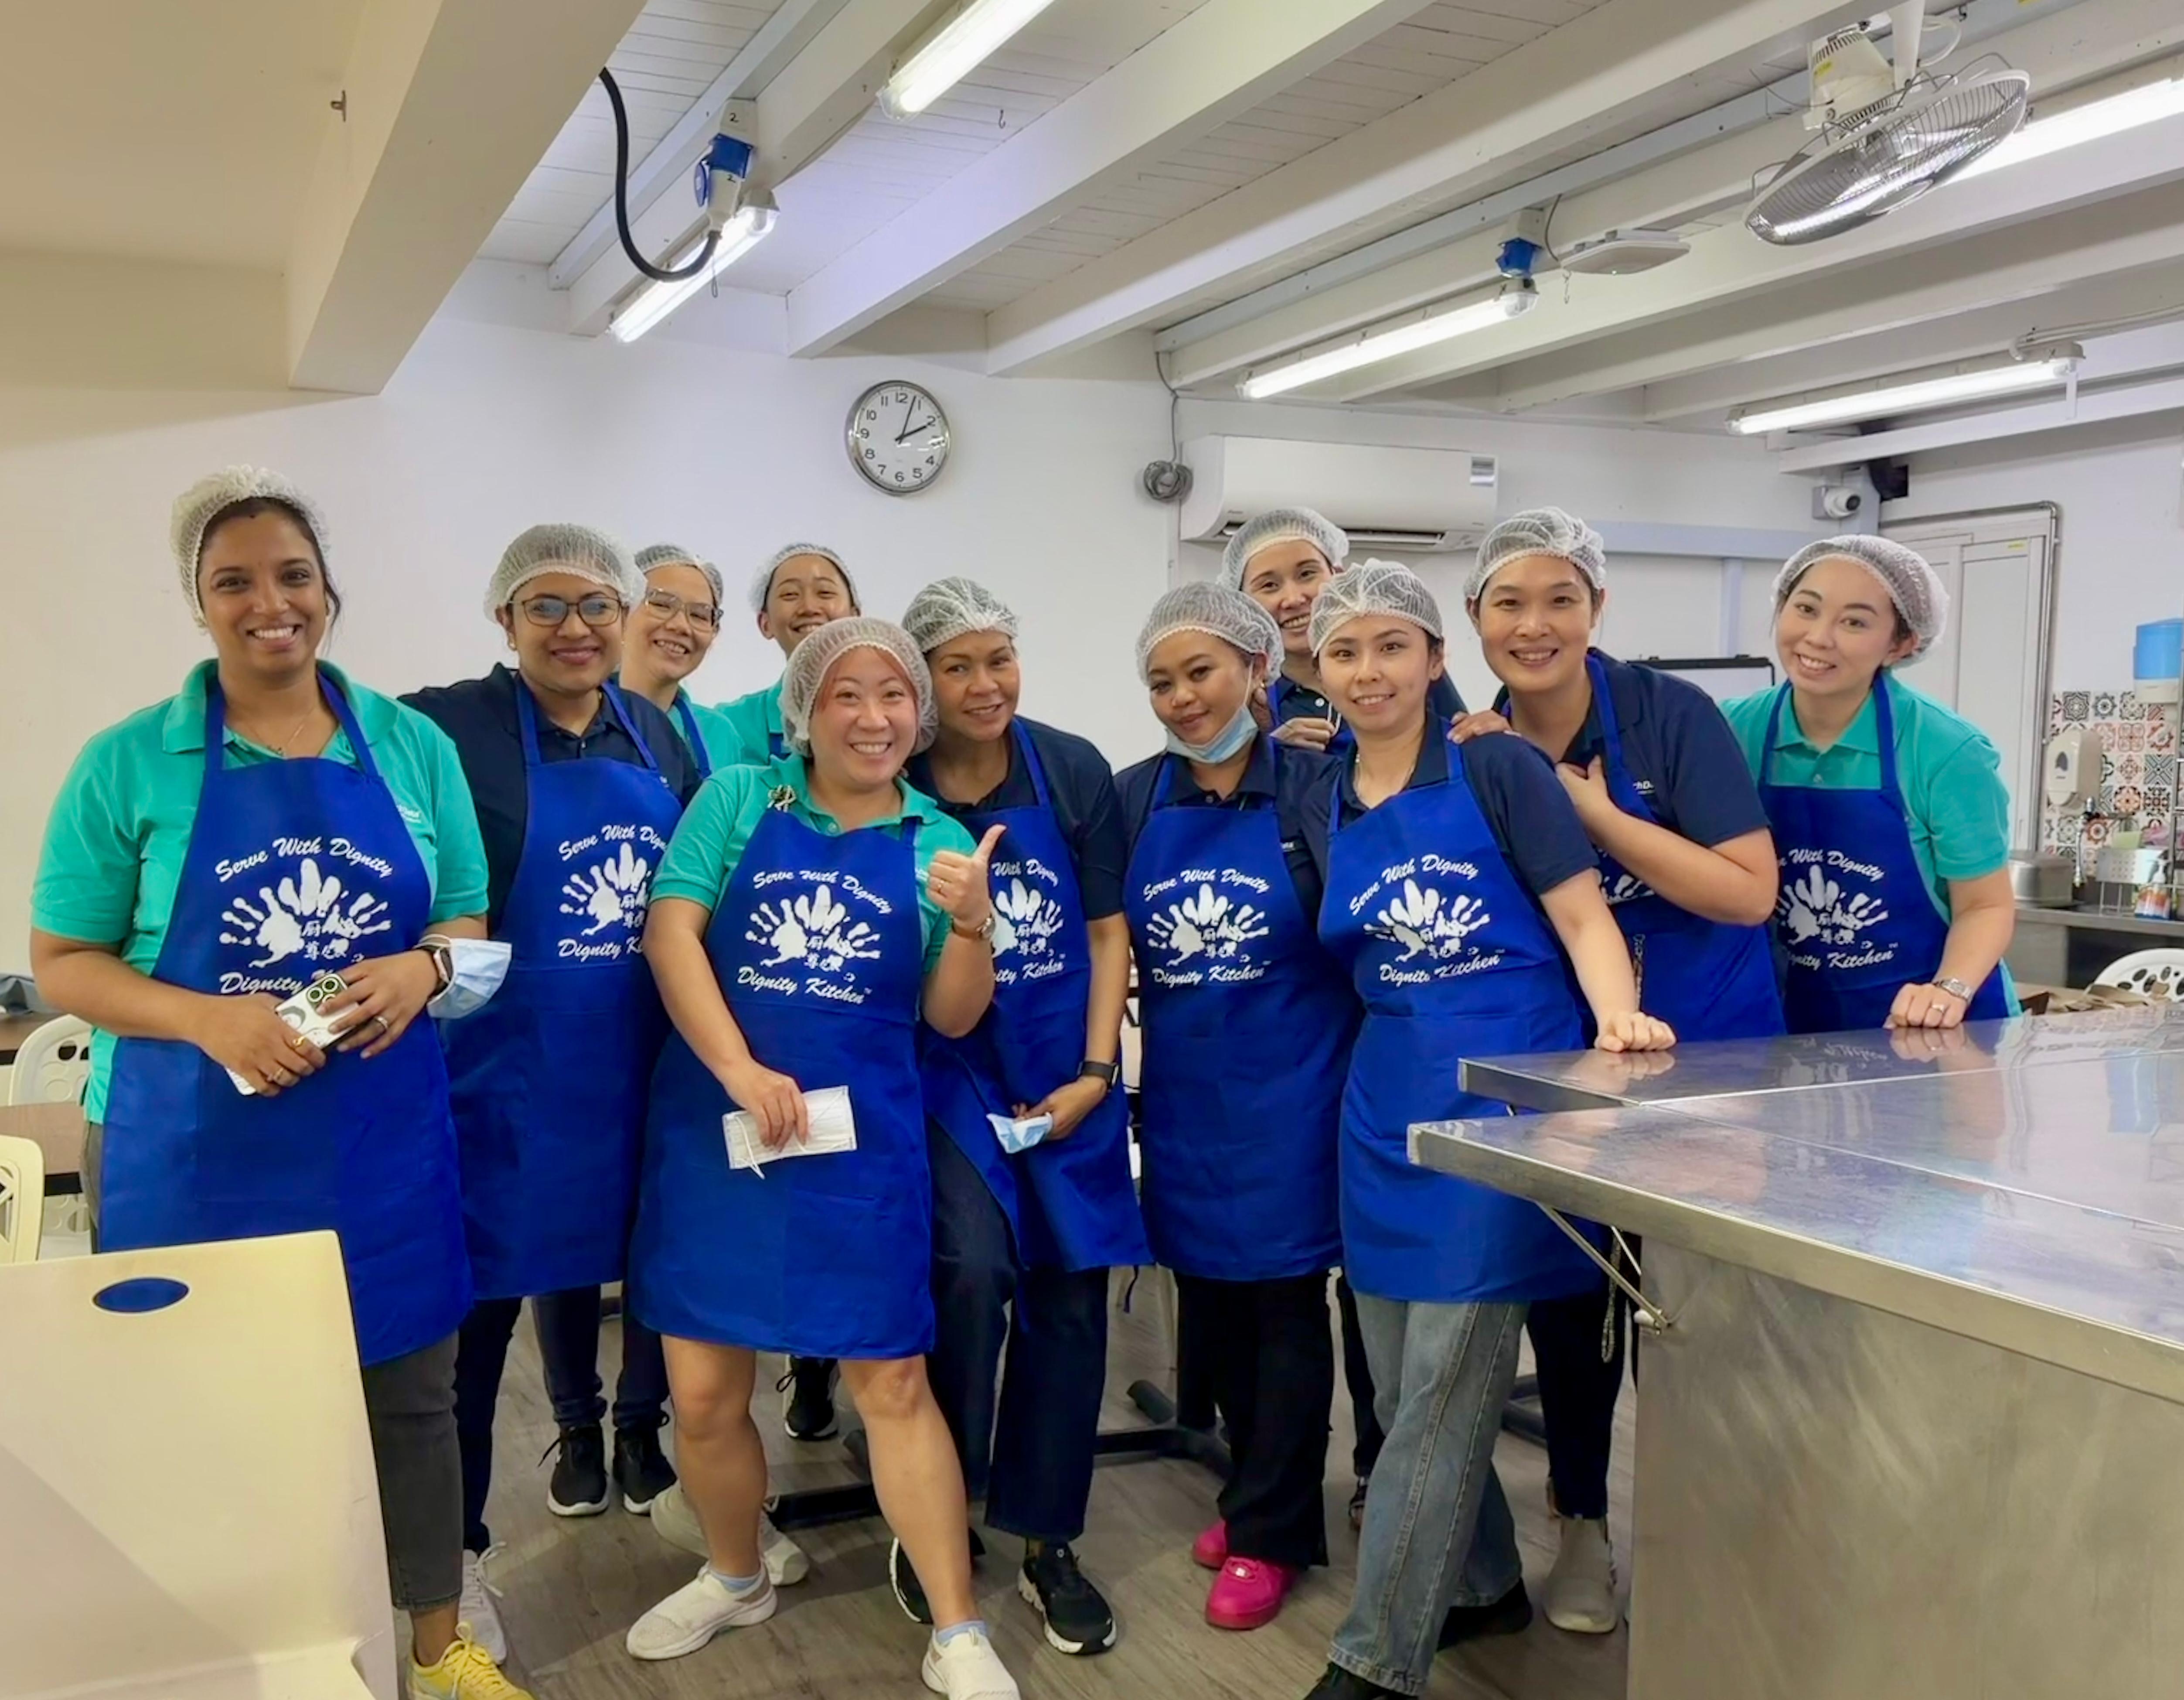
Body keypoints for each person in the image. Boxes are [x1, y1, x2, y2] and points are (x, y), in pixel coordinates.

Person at [29, 468, 529, 1700]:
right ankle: (243, 1648)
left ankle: (433, 1642)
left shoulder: (408, 747)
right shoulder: (130, 763)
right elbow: (61, 964)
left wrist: (423, 967)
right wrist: (212, 1018)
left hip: (380, 1136)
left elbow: (462, 910)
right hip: (193, 1143)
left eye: (293, 575)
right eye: (234, 582)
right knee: (210, 1409)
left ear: (328, 590)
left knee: (410, 1394)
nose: (270, 603)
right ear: (198, 604)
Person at [1292, 562, 1675, 1700]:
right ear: (1320, 667)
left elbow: (1577, 911)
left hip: (1505, 1101)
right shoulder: (1317, 795)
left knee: (1446, 1388)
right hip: (1384, 1106)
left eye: (1391, 647)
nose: (1370, 672)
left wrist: (1615, 1015)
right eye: (1345, 652)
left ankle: (1376, 1660)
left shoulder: (1497, 762)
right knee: (1394, 1376)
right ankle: (1484, 1580)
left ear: (1430, 654)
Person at [624, 618, 1022, 1700]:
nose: (873, 716)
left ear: (917, 715)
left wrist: (975, 927)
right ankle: (737, 1569)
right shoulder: (741, 799)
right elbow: (671, 932)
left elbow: (947, 1017)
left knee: (891, 1377)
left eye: (893, 695)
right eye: (846, 693)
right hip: (721, 1134)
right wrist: (741, 1068)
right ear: (806, 706)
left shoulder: (936, 837)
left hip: (862, 1149)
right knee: (703, 1391)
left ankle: (956, 1625)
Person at [1453, 508, 1783, 1634]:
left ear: (1597, 611)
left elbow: (1746, 889)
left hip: (1713, 1053)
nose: (1534, 623)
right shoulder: (1474, 743)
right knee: (1581, 1301)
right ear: (1475, 621)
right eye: (1508, 602)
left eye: (1559, 599)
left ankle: (1723, 1538)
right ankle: (1583, 1524)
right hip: (1575, 1061)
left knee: (1705, 1308)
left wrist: (1591, 812)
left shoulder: (1666, 715)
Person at [404, 526, 704, 1665]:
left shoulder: (659, 734)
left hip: (641, 1076)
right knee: (466, 1349)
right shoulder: (446, 724)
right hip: (503, 1091)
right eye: (546, 606)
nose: (575, 627)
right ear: (504, 619)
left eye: (596, 605)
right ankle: (453, 1568)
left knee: (674, 1282)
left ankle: (663, 1464)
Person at [892, 577, 1148, 1660]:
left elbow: (1103, 931)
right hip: (944, 1068)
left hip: (1063, 1065)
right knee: (969, 1269)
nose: (985, 684)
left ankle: (1048, 1535)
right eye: (958, 665)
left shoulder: (1071, 766)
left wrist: (1098, 1068)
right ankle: (935, 1507)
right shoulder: (889, 775)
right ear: (920, 681)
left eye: (1000, 659)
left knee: (1071, 1293)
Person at [1115, 585, 1357, 1632]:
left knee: (1282, 1311)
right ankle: (1253, 1490)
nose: (1180, 697)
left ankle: (1274, 1528)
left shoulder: (1318, 785)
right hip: (1181, 1094)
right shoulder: (1131, 800)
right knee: (1210, 1304)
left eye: (1200, 671)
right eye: (1161, 680)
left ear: (1259, 667)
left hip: (1294, 1089)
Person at [1226, 507, 1458, 1518]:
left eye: (1305, 572)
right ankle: (1283, 1483)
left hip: (1403, 1027)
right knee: (1319, 1277)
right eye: (1265, 584)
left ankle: (1387, 1466)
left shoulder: (1440, 717)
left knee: (1393, 1268)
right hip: (1292, 1029)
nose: (1290, 595)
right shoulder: (1266, 727)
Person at [1723, 536, 2017, 1032]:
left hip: (1932, 1028)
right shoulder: (1734, 731)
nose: (1817, 637)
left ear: (1901, 644)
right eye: (1805, 608)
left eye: (1854, 622)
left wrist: (1947, 992)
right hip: (1794, 1026)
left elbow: (1985, 905)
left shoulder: (1945, 751)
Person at [712, 541, 863, 1441]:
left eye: (828, 589)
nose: (809, 603)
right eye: (789, 594)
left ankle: (819, 1363)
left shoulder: (884, 722)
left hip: (854, 986)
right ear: (763, 622)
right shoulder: (726, 732)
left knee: (844, 1194)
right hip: (752, 991)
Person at [1226, 506, 1465, 753]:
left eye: (1307, 574)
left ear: (1338, 577)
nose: (1294, 599)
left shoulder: (1408, 667)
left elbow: (1462, 739)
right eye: (1269, 586)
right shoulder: (1242, 700)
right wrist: (1267, 756)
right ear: (1243, 602)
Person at [620, 542, 739, 774]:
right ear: (623, 612)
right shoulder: (580, 716)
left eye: (700, 615)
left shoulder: (719, 735)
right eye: (662, 605)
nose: (681, 626)